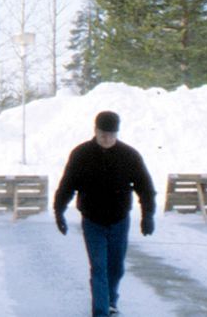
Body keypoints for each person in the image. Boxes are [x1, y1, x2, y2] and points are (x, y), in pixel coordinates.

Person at [54, 111, 156, 317]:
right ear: (95, 130)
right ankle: (101, 312)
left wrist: (148, 215)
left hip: (119, 220)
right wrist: (59, 210)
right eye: (102, 133)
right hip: (92, 220)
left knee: (116, 267)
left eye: (110, 134)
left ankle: (110, 300)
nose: (106, 138)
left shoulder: (129, 155)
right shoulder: (81, 154)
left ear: (116, 133)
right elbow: (67, 184)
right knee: (99, 267)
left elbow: (145, 187)